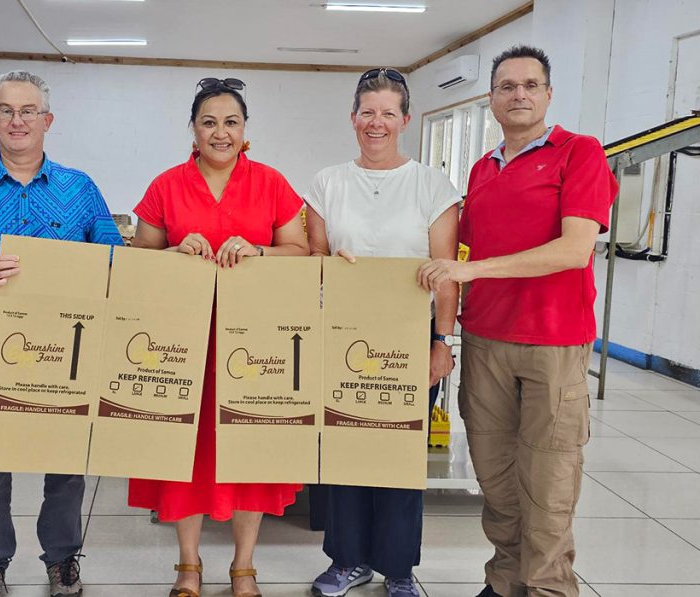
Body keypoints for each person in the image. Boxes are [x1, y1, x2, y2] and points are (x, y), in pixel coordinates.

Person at [418, 46, 618, 597]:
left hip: (553, 341)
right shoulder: (483, 169)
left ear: (549, 94)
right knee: (496, 474)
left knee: (549, 479)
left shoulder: (580, 152)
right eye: (507, 86)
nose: (519, 94)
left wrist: (474, 268)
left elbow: (574, 250)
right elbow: (455, 248)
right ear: (491, 99)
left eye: (531, 85)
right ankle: (506, 580)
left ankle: (548, 586)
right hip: (486, 341)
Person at [0, 70, 123, 597]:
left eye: (28, 110)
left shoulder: (79, 188)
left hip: (66, 362)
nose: (17, 120)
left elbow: (115, 260)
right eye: (7, 110)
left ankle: (62, 559)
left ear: (47, 120)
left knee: (66, 471)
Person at [128, 76, 310, 597]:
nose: (220, 132)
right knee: (183, 455)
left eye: (231, 122)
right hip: (180, 345)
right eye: (209, 122)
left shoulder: (271, 183)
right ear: (193, 128)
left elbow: (301, 253)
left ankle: (243, 565)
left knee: (248, 452)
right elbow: (139, 260)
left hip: (253, 344)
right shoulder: (166, 185)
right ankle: (188, 565)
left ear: (245, 129)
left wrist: (259, 251)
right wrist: (173, 252)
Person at [304, 68, 461, 597]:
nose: (377, 123)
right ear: (353, 119)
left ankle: (397, 568)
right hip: (341, 337)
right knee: (344, 450)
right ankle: (347, 560)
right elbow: (313, 261)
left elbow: (445, 274)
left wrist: (442, 343)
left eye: (388, 113)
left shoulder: (432, 185)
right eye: (367, 112)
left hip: (409, 338)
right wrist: (331, 267)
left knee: (398, 455)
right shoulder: (328, 183)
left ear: (405, 120)